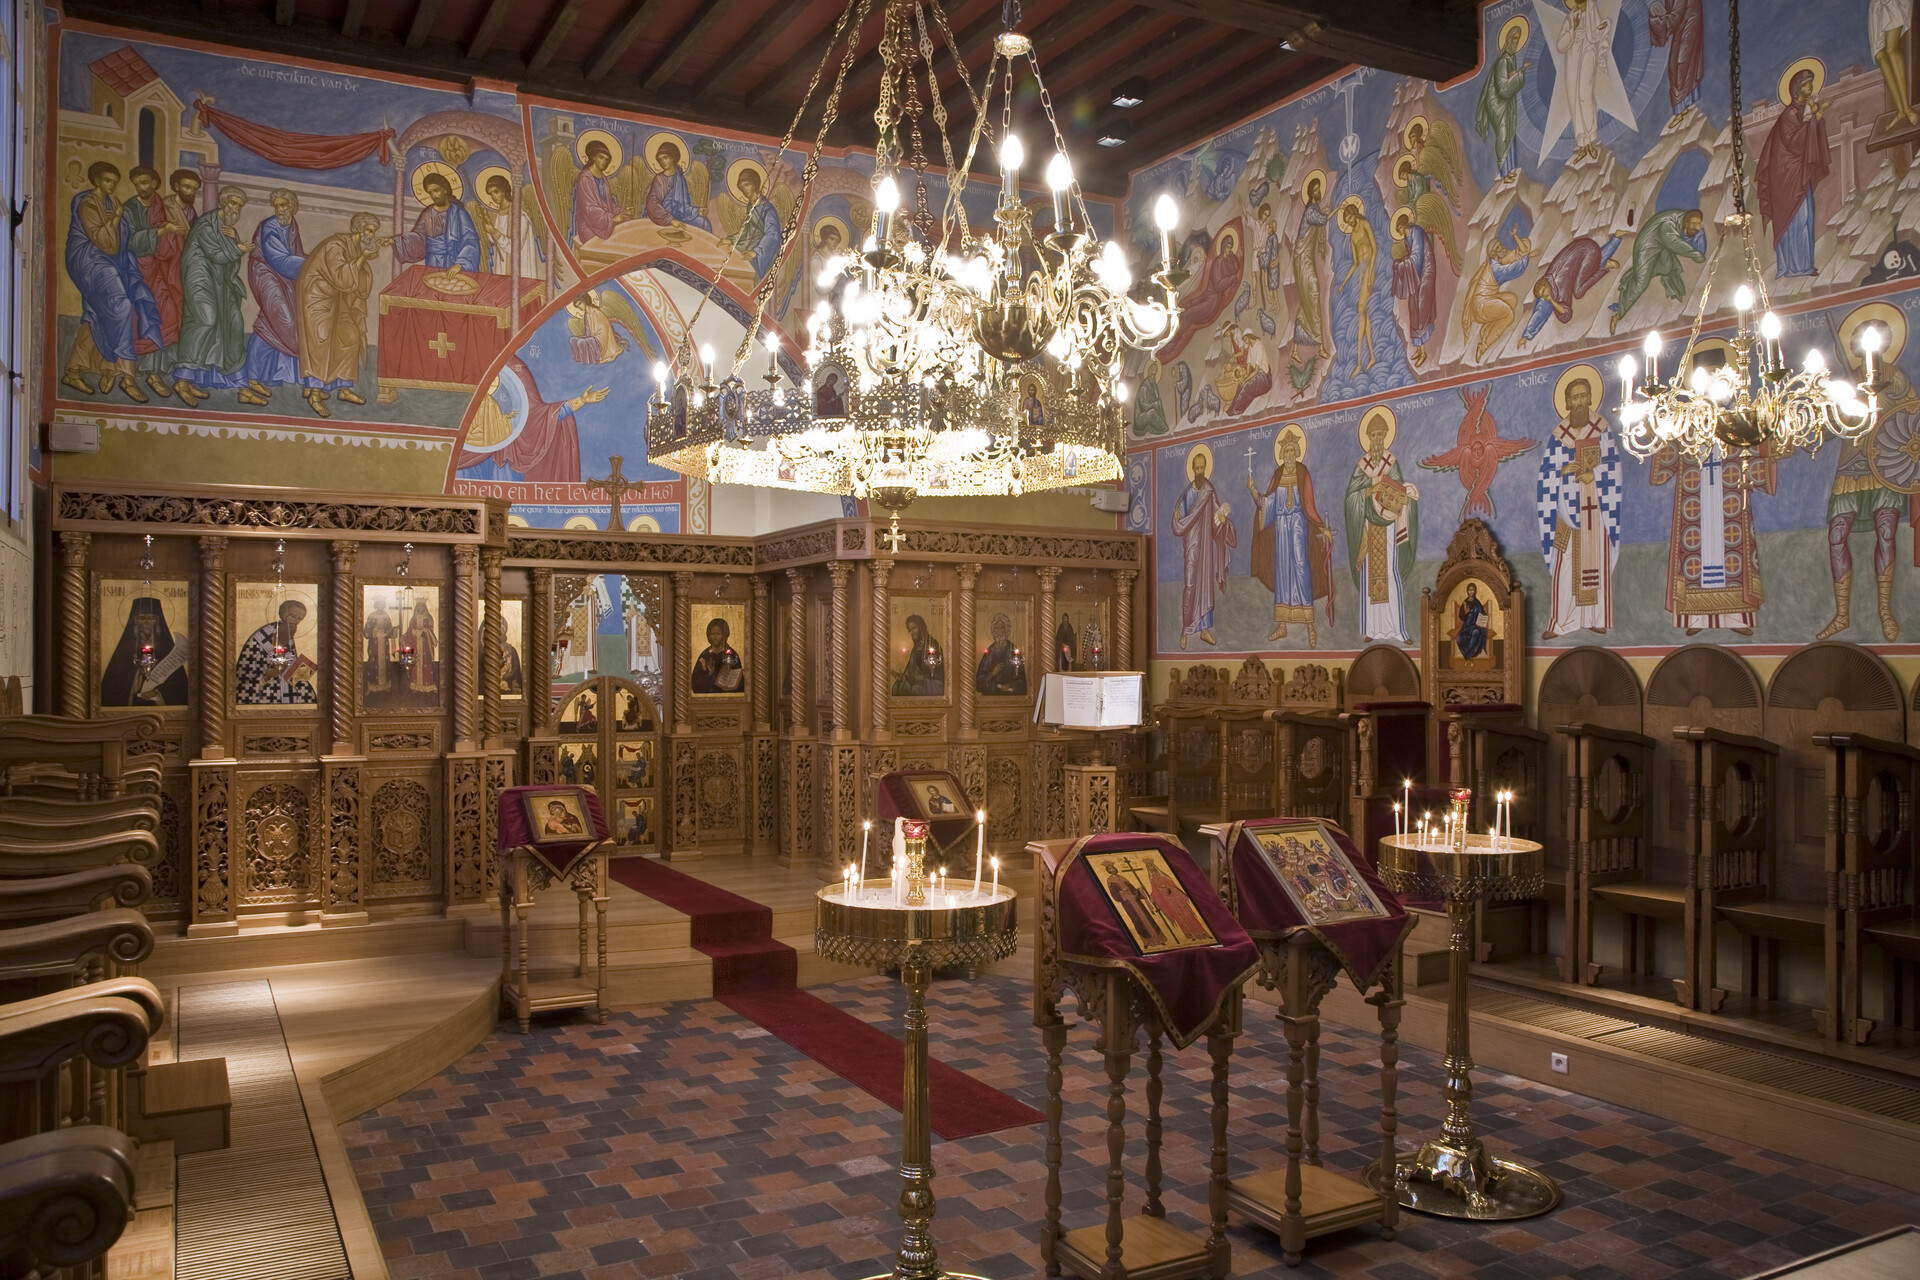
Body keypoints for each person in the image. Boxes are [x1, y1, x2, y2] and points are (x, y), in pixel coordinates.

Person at [63, 161, 163, 403]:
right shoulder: (88, 203)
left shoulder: (110, 203)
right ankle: (127, 376)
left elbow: (121, 239)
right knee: (122, 307)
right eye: (107, 180)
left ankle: (74, 370)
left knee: (96, 313)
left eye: (114, 182)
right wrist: (117, 217)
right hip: (89, 260)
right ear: (96, 180)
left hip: (111, 262)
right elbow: (105, 241)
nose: (111, 185)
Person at [1537, 374, 1621, 638]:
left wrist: (1593, 475)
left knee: (1596, 563)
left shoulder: (1602, 430)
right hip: (1565, 513)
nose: (1580, 401)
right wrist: (1562, 470)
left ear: (1591, 398)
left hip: (1595, 511)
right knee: (1564, 566)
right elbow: (1545, 475)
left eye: (1584, 396)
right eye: (1575, 397)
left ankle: (1595, 618)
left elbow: (1614, 468)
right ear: (1567, 402)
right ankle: (1561, 622)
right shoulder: (1558, 436)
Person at [1249, 428, 1334, 645]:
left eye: (1291, 451)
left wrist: (1321, 527)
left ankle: (1309, 625)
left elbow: (1309, 504)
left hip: (1297, 526)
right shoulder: (1277, 475)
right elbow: (1267, 504)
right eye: (1285, 452)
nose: (1288, 455)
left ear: (1296, 452)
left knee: (1300, 568)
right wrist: (1255, 493)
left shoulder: (1303, 472)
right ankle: (1282, 625)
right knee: (1283, 572)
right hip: (1281, 530)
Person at [295, 212, 383, 418]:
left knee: (350, 337)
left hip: (338, 298)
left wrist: (364, 258)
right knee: (321, 342)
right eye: (369, 231)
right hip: (317, 297)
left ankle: (344, 387)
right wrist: (363, 257)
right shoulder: (336, 246)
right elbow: (341, 277)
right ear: (358, 229)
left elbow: (355, 280)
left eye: (373, 232)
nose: (371, 236)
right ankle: (314, 393)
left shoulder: (354, 248)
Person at [1344, 413, 1419, 644]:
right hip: (1368, 526)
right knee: (1370, 578)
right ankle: (1372, 629)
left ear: (1386, 436)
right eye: (1373, 435)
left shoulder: (1391, 462)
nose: (1376, 439)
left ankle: (1396, 629)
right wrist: (1370, 488)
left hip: (1388, 527)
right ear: (1368, 438)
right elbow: (1351, 498)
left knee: (1389, 575)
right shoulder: (1362, 466)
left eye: (1380, 435)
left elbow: (1399, 491)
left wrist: (1406, 495)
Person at [123, 166, 196, 400]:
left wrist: (170, 236)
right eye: (137, 184)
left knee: (168, 316)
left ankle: (154, 373)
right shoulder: (129, 209)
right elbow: (129, 241)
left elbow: (172, 241)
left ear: (155, 184)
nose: (141, 187)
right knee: (142, 319)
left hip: (160, 270)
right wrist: (162, 232)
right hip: (137, 270)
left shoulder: (159, 206)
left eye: (145, 183)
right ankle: (130, 376)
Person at [173, 186, 252, 402]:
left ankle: (238, 385)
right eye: (232, 203)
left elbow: (230, 262)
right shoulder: (206, 224)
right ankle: (182, 380)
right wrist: (239, 248)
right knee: (205, 320)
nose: (235, 209)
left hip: (220, 284)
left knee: (233, 323)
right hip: (199, 279)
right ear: (222, 202)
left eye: (239, 206)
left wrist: (234, 242)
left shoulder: (228, 230)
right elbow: (217, 255)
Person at [1757, 68, 1829, 279]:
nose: (1810, 87)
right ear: (1797, 88)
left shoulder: (1799, 111)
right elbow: (1794, 142)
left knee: (1806, 219)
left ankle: (1804, 265)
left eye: (1811, 83)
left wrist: (1815, 117)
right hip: (1787, 180)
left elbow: (1805, 137)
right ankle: (1793, 267)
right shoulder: (1789, 114)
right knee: (1797, 220)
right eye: (1806, 84)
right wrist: (1814, 118)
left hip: (1799, 177)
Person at [240, 189, 305, 406]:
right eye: (276, 206)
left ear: (292, 206)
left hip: (282, 276)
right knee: (283, 319)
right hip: (265, 273)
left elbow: (295, 255)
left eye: (283, 205)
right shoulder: (269, 227)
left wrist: (309, 261)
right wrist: (311, 264)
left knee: (270, 323)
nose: (279, 210)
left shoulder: (292, 225)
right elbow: (279, 260)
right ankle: (251, 378)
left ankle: (253, 378)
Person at [1172, 449, 1234, 649]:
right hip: (1192, 545)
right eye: (1197, 468)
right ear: (1192, 469)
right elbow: (1180, 521)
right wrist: (1176, 518)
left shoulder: (1209, 491)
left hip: (1205, 547)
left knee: (1206, 587)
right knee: (1190, 585)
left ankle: (1204, 630)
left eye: (1202, 468)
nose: (1200, 472)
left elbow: (1216, 519)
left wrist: (1222, 521)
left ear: (1206, 469)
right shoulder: (1186, 495)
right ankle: (1185, 629)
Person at [1608, 209, 1706, 334]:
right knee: (1641, 283)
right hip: (1646, 247)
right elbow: (1673, 242)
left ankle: (1642, 273)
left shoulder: (1681, 219)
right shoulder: (1669, 224)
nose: (1697, 227)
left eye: (1698, 223)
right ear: (1686, 222)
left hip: (1660, 245)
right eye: (1694, 223)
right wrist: (1694, 254)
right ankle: (1618, 315)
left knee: (1668, 266)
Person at [1521, 234, 1621, 345]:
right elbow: (1540, 309)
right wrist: (1526, 336)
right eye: (1543, 295)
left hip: (1588, 252)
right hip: (1586, 248)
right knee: (1586, 272)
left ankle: (1603, 266)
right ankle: (1616, 238)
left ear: (1545, 285)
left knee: (1578, 291)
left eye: (1544, 292)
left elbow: (1566, 314)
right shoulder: (1549, 280)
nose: (1545, 296)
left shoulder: (1559, 283)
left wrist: (1552, 301)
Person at [100, 597, 188, 707]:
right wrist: (134, 680)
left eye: (151, 619)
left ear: (158, 622)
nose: (146, 622)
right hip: (131, 703)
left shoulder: (166, 647)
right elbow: (111, 685)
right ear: (135, 622)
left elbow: (179, 684)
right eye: (142, 618)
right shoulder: (125, 648)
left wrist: (158, 693)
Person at [1289, 175, 1332, 392]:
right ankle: (1318, 346)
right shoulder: (1311, 211)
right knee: (1312, 295)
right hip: (1302, 260)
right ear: (1311, 193)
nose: (1319, 192)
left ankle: (1299, 349)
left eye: (1319, 188)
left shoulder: (1314, 210)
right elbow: (1322, 219)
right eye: (1316, 189)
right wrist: (1335, 210)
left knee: (1309, 302)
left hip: (1306, 259)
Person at [235, 599, 318, 705]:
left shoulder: (287, 633)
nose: (295, 621)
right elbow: (246, 671)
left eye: (299, 619)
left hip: (286, 685)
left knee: (307, 692)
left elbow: (289, 661)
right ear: (283, 614)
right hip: (265, 689)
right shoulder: (262, 636)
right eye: (292, 616)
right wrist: (267, 675)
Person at [1462, 234, 1532, 360]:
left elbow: (1513, 255)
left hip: (1487, 300)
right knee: (1508, 314)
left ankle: (1486, 329)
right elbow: (1514, 269)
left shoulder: (1496, 262)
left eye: (1500, 246)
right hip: (1481, 305)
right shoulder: (1496, 269)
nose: (1502, 249)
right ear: (1493, 255)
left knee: (1512, 300)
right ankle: (1483, 346)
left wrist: (1525, 251)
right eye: (1498, 249)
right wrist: (1525, 257)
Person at [394, 171, 480, 271]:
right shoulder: (427, 213)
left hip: (453, 263)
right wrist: (396, 241)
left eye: (436, 190)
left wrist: (460, 264)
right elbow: (419, 237)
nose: (433, 195)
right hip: (432, 262)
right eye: (430, 192)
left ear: (445, 190)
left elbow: (470, 240)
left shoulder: (458, 212)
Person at [1475, 21, 1528, 181]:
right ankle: (1504, 172)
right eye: (1514, 38)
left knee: (1510, 133)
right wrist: (1521, 73)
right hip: (1497, 104)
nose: (1516, 42)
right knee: (1504, 134)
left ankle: (1510, 169)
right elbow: (1503, 89)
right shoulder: (1503, 62)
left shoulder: (1510, 60)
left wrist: (1516, 74)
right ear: (1508, 39)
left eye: (1518, 39)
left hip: (1505, 103)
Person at [1337, 200, 1378, 377]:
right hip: (1360, 270)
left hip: (1369, 268)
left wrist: (1370, 273)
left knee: (1361, 308)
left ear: (1354, 214)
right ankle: (1371, 356)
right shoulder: (1352, 237)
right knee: (1363, 313)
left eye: (1349, 218)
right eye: (1346, 221)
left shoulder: (1365, 224)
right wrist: (1344, 282)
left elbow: (1374, 250)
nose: (1349, 222)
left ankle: (1359, 362)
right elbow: (1354, 263)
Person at [1648, 0, 1706, 120]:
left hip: (1689, 24)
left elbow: (1675, 16)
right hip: (1682, 26)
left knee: (1681, 65)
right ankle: (1682, 110)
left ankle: (1686, 107)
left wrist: (1656, 22)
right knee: (1676, 67)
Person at [645, 142, 711, 231]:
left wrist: (697, 211)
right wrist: (670, 220)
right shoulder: (659, 179)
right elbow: (652, 202)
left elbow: (684, 205)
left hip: (680, 215)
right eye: (660, 159)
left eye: (665, 158)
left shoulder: (680, 178)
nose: (662, 162)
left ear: (672, 158)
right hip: (663, 217)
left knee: (704, 223)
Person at [571, 141, 627, 244]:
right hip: (590, 227)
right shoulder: (585, 178)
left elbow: (607, 204)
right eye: (601, 157)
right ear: (593, 157)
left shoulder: (603, 178)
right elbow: (589, 208)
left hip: (605, 224)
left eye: (606, 160)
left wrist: (622, 210)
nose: (604, 161)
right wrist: (612, 219)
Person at [731, 167, 782, 278]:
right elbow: (747, 231)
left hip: (764, 249)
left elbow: (773, 234)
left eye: (747, 185)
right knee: (730, 254)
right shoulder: (751, 206)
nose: (744, 190)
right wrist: (730, 240)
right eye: (741, 187)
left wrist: (756, 252)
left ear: (755, 184)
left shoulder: (767, 208)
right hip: (750, 243)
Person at [1105, 871, 1168, 949]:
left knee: (1148, 918)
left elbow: (1133, 889)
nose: (1112, 869)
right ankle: (1146, 942)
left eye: (1112, 867)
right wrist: (1122, 892)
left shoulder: (1123, 878)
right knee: (1137, 921)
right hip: (1128, 903)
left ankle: (1160, 940)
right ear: (1108, 870)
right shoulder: (1110, 881)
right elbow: (1114, 894)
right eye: (1110, 868)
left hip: (1136, 901)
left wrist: (1140, 889)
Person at [974, 613, 1027, 696]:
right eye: (996, 628)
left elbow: (1022, 682)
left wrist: (1010, 685)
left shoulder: (1013, 651)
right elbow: (979, 683)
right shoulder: (989, 652)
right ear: (993, 631)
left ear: (1006, 630)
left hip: (1010, 699)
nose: (999, 632)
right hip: (989, 699)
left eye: (1002, 628)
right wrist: (992, 674)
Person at [892, 615, 944, 696]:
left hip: (932, 682)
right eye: (910, 630)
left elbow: (937, 670)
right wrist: (903, 677)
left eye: (914, 628)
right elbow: (910, 670)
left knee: (915, 689)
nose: (912, 632)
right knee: (897, 686)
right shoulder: (915, 649)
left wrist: (923, 678)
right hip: (917, 680)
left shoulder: (933, 645)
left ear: (921, 627)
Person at [690, 618, 744, 693]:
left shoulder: (732, 654)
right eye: (713, 634)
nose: (715, 637)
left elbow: (741, 682)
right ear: (709, 635)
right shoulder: (705, 655)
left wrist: (732, 687)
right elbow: (695, 683)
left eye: (718, 634)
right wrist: (709, 674)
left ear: (724, 635)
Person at [403, 601, 439, 695]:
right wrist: (406, 636)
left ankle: (428, 685)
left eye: (421, 606)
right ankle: (415, 685)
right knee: (415, 663)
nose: (420, 608)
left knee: (426, 663)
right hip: (415, 643)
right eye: (418, 606)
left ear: (424, 607)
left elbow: (430, 631)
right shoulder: (413, 618)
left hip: (425, 645)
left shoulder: (428, 618)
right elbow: (410, 630)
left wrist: (424, 631)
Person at [362, 595, 396, 694]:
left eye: (382, 604)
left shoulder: (386, 616)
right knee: (373, 662)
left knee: (384, 662)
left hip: (384, 642)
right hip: (374, 642)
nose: (380, 606)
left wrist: (393, 630)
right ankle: (372, 686)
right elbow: (366, 631)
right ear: (376, 605)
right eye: (378, 604)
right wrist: (374, 631)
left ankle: (385, 685)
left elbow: (390, 629)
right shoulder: (372, 616)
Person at [1454, 583, 1490, 660]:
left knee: (1475, 633)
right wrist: (1465, 613)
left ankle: (1468, 655)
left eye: (1472, 590)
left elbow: (1482, 613)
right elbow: (1461, 616)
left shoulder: (1477, 603)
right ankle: (1467, 654)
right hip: (1466, 626)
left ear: (1475, 591)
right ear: (1467, 591)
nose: (1471, 592)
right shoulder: (1465, 603)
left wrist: (1483, 616)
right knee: (1459, 638)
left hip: (1475, 625)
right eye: (1469, 590)